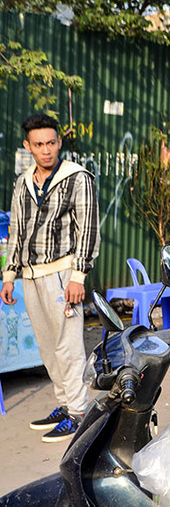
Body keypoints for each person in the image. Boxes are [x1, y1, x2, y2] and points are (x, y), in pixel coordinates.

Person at [1, 114, 101, 443]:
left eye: (52, 143)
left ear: (59, 142)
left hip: (61, 275)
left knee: (68, 346)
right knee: (47, 348)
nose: (47, 150)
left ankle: (78, 412)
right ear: (28, 146)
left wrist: (79, 276)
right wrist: (9, 275)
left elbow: (88, 229)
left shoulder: (77, 178)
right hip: (30, 277)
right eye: (39, 144)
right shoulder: (22, 182)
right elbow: (17, 232)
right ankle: (65, 403)